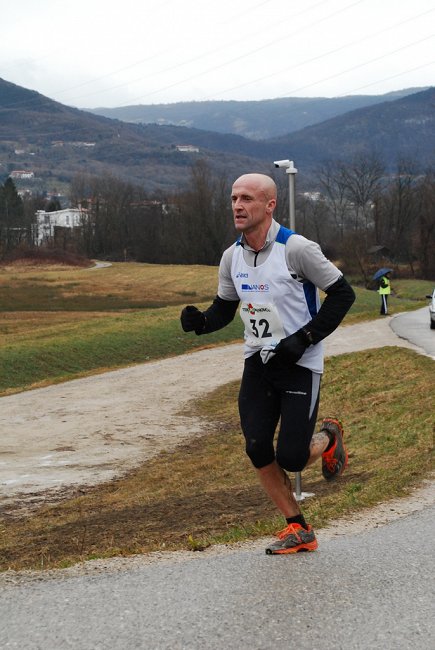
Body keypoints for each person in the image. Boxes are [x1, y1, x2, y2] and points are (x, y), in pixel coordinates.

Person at [180, 173, 355, 555]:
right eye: (233, 198)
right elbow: (225, 307)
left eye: (247, 198)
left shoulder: (297, 249)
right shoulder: (232, 257)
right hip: (258, 362)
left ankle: (329, 438)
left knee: (291, 457)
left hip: (300, 363)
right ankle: (299, 528)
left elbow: (343, 294)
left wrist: (303, 339)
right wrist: (202, 322)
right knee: (257, 447)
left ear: (270, 205)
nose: (237, 206)